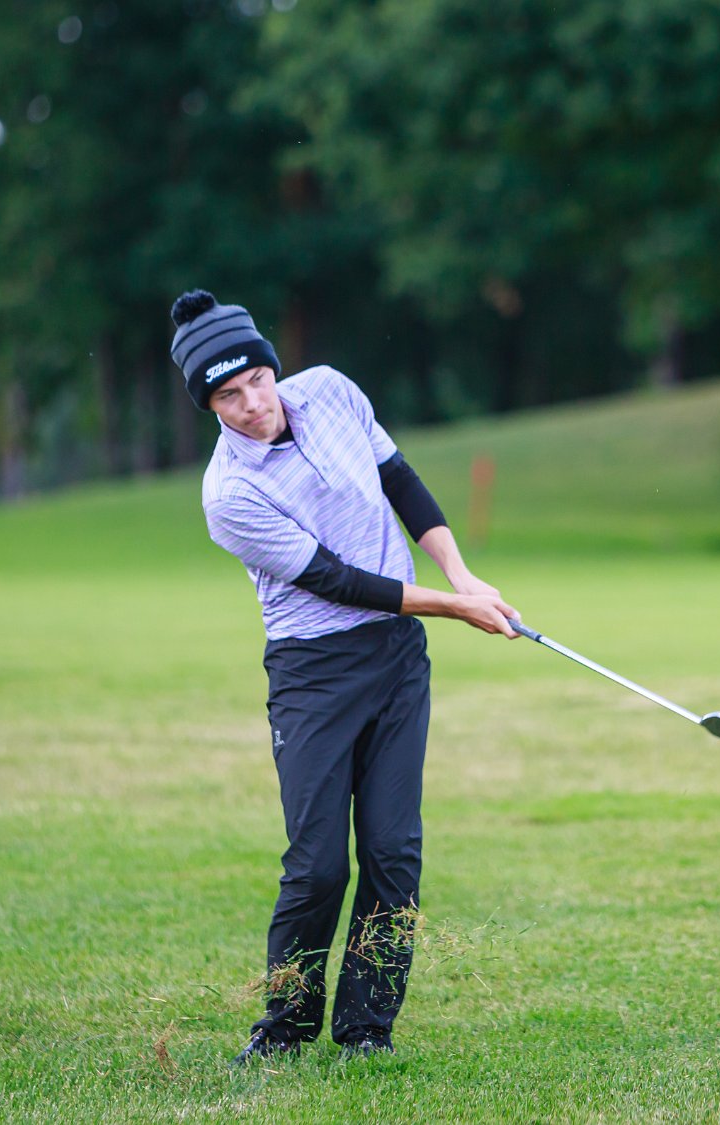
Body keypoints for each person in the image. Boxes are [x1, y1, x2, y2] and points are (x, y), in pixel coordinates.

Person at [167, 289, 519, 1061]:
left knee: (393, 852)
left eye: (256, 378)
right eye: (227, 395)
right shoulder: (229, 494)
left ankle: (367, 1030)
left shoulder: (329, 391)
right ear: (209, 406)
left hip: (395, 659)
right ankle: (284, 1030)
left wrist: (464, 572)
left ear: (270, 364)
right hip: (314, 672)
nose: (252, 402)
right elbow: (336, 578)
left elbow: (400, 481)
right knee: (319, 863)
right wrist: (453, 606)